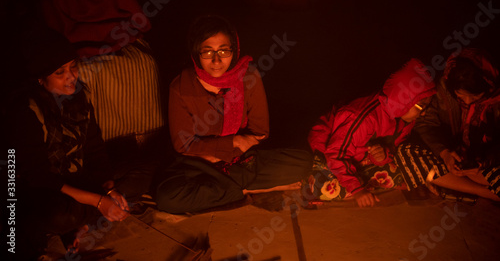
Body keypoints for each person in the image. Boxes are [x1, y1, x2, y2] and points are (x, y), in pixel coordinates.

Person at [154, 15, 312, 214]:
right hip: (199, 164)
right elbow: (183, 144)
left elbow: (260, 132)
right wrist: (232, 143)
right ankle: (247, 189)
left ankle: (230, 189)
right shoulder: (181, 85)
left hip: (242, 159)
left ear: (234, 50)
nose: (217, 60)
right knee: (168, 197)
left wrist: (227, 152)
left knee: (302, 162)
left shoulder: (249, 76)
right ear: (196, 52)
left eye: (223, 50)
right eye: (207, 51)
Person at [5, 27, 136, 260]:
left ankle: (85, 221)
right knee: (62, 216)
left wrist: (109, 189)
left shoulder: (79, 97)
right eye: (60, 72)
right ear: (41, 79)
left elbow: (95, 149)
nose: (71, 76)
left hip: (77, 178)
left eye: (73, 67)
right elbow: (39, 178)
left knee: (133, 167)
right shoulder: (26, 111)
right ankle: (80, 221)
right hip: (42, 191)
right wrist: (99, 201)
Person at [41, 0, 164, 142]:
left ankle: (144, 137)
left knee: (143, 64)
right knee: (84, 75)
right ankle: (95, 143)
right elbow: (53, 27)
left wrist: (133, 32)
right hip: (73, 44)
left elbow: (136, 15)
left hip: (116, 38)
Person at [308, 59, 436, 207]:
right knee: (322, 186)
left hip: (359, 158)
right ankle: (317, 180)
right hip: (329, 153)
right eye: (421, 106)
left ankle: (358, 182)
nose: (424, 113)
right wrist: (357, 191)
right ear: (406, 98)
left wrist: (383, 155)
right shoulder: (363, 118)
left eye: (426, 106)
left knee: (405, 175)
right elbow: (335, 153)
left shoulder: (406, 119)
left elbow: (394, 149)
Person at [396, 48, 500, 202]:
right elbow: (426, 123)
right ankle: (483, 192)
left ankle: (455, 187)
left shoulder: (496, 96)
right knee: (407, 153)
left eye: (475, 96)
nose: (467, 101)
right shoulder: (444, 88)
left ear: (487, 84)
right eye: (461, 95)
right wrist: (445, 154)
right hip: (453, 158)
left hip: (486, 165)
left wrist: (484, 162)